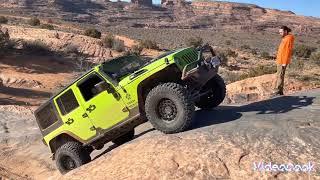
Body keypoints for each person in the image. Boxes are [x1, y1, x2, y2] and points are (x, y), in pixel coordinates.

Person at [273, 26, 295, 96]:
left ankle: (277, 90)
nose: (280, 33)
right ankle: (280, 91)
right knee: (280, 75)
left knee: (279, 75)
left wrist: (284, 62)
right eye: (279, 32)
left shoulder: (288, 39)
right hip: (280, 60)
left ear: (285, 31)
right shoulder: (285, 38)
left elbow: (287, 51)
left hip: (282, 61)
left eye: (281, 32)